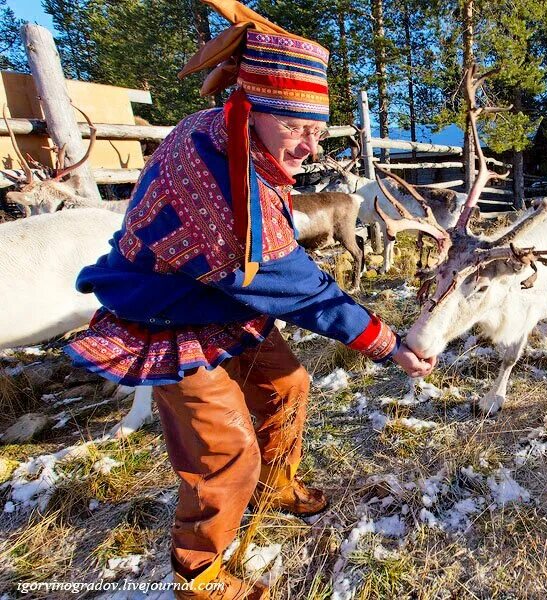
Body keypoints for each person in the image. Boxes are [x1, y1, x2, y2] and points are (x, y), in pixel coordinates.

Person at [63, 1, 435, 597]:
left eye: (316, 131)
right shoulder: (222, 183)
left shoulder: (232, 139)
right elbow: (290, 284)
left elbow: (277, 271)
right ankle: (198, 574)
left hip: (220, 306)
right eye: (297, 127)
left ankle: (275, 484)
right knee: (225, 451)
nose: (309, 147)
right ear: (251, 107)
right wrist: (386, 342)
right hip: (167, 318)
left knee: (287, 385)